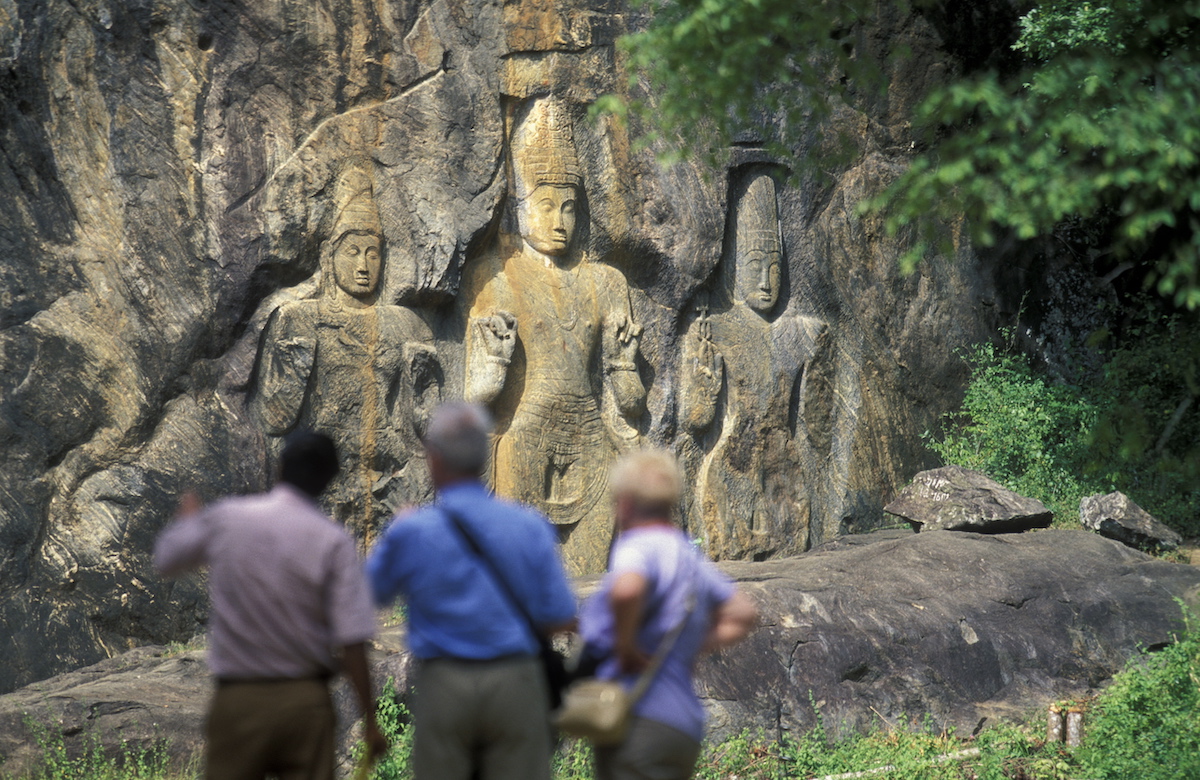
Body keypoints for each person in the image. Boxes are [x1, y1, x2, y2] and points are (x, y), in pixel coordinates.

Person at [463, 96, 646, 575]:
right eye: (545, 205)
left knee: (589, 574)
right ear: (520, 205)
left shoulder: (607, 282)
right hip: (525, 439)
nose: (559, 221)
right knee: (518, 574)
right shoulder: (495, 276)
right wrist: (493, 367)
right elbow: (477, 397)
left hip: (589, 437)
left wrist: (623, 364)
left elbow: (629, 404)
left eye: (568, 207)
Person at [154, 431, 387, 780]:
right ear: (327, 482)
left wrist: (188, 523)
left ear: (279, 469)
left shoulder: (229, 518)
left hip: (240, 699)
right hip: (306, 704)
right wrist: (370, 720)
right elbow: (353, 641)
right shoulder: (333, 541)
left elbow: (166, 559)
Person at [365, 401, 576, 780]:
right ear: (483, 456)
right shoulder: (529, 526)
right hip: (515, 680)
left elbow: (371, 596)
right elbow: (560, 615)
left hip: (445, 684)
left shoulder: (412, 532)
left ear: (433, 460)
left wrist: (394, 536)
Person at [578, 448, 758, 780]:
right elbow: (744, 613)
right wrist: (690, 645)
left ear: (626, 503)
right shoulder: (689, 557)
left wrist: (626, 647)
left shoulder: (637, 545)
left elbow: (627, 590)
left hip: (639, 719)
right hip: (683, 728)